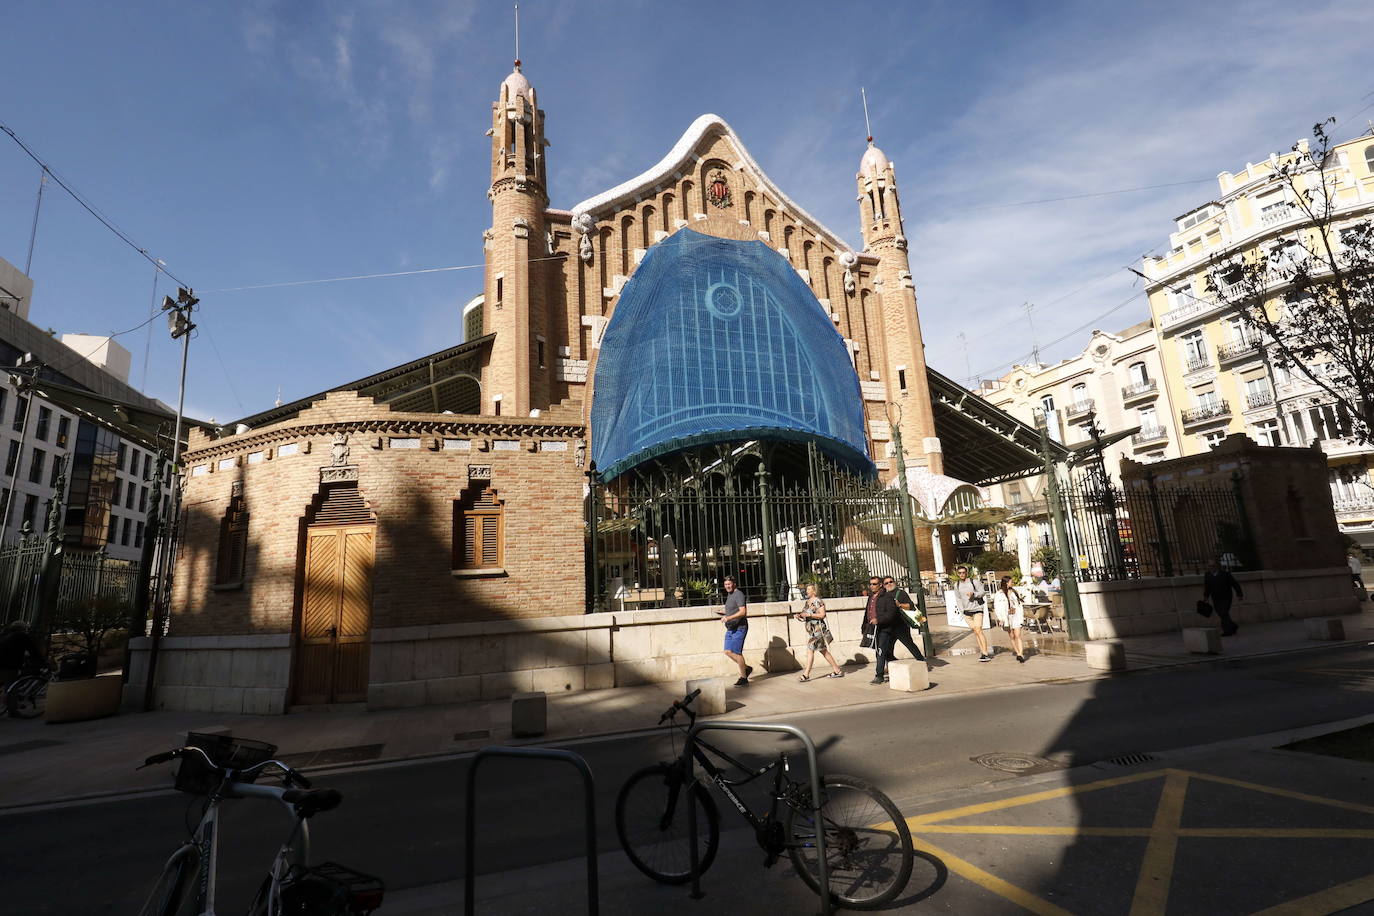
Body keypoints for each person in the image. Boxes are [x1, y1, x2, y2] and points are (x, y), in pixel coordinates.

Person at [795, 583, 843, 681]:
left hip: (818, 630)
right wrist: (800, 616)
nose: (806, 591)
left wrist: (809, 615)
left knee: (810, 649)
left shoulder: (818, 601)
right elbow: (806, 615)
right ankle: (837, 670)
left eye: (809, 589)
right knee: (823, 650)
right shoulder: (807, 602)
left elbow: (822, 615)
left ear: (814, 591)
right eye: (806, 589)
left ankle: (806, 674)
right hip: (812, 631)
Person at [881, 575, 925, 665]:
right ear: (884, 585)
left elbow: (910, 605)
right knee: (887, 648)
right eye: (886, 583)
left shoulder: (900, 593)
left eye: (891, 582)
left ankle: (921, 661)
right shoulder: (883, 596)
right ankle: (891, 664)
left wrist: (900, 605)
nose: (889, 584)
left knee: (909, 644)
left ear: (894, 582)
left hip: (901, 625)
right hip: (889, 626)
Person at [719, 575, 753, 686]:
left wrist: (728, 617)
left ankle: (743, 677)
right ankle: (746, 668)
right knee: (727, 651)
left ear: (734, 584)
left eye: (729, 584)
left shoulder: (738, 594)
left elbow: (743, 612)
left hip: (740, 627)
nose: (727, 586)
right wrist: (724, 613)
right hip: (730, 627)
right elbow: (734, 610)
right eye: (725, 585)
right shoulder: (730, 595)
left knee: (736, 653)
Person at [952, 565, 991, 661]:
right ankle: (982, 652)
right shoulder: (956, 585)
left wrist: (974, 594)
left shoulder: (974, 582)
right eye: (960, 573)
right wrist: (962, 611)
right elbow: (958, 599)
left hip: (977, 609)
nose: (962, 574)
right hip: (966, 612)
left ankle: (985, 653)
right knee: (976, 632)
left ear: (967, 573)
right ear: (957, 574)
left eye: (963, 572)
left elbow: (983, 592)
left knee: (978, 630)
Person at [1202, 557, 1243, 636]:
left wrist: (1239, 594)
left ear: (1217, 566)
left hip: (1226, 597)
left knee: (1223, 613)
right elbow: (1207, 587)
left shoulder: (1225, 574)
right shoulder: (1207, 575)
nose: (1211, 568)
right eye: (1209, 566)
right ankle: (1233, 626)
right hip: (1216, 598)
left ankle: (1227, 631)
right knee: (1221, 614)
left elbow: (1235, 584)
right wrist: (1206, 597)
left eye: (1213, 566)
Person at [992, 576, 1028, 663]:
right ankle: (1017, 651)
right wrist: (1000, 618)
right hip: (1006, 617)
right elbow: (997, 607)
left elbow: (1019, 604)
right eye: (1011, 582)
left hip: (1016, 615)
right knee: (1012, 636)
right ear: (1006, 583)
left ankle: (1020, 654)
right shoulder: (999, 594)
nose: (1012, 583)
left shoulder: (1014, 592)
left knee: (1018, 635)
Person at [0, 622, 43, 688]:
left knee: (6, 684)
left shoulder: (6, 635)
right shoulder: (22, 636)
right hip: (10, 666)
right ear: (23, 629)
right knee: (11, 687)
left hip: (3, 663)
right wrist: (43, 662)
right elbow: (33, 651)